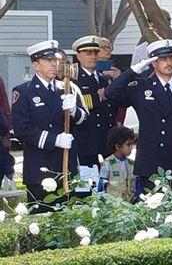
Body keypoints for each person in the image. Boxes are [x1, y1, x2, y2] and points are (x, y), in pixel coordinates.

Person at [105, 39, 172, 192]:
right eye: (162, 59)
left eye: (171, 58)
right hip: (152, 161)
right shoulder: (141, 87)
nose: (168, 63)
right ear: (153, 62)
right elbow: (111, 92)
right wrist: (135, 70)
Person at [12, 40, 88, 211]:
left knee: (68, 222)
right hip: (40, 167)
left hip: (66, 165)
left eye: (56, 60)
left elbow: (85, 121)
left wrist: (75, 111)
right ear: (36, 64)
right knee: (42, 221)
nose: (54, 64)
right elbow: (22, 129)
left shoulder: (68, 88)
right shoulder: (24, 91)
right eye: (48, 60)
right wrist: (54, 140)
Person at [71, 36, 119, 167]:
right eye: (88, 54)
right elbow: (74, 105)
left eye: (95, 53)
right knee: (88, 181)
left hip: (107, 138)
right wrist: (97, 97)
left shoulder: (105, 77)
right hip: (86, 138)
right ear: (79, 56)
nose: (93, 57)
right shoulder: (72, 79)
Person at [99, 126, 137, 202]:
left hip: (130, 206)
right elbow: (101, 187)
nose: (131, 147)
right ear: (117, 146)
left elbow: (137, 188)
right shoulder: (107, 163)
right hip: (113, 208)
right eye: (128, 145)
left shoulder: (132, 164)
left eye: (132, 144)